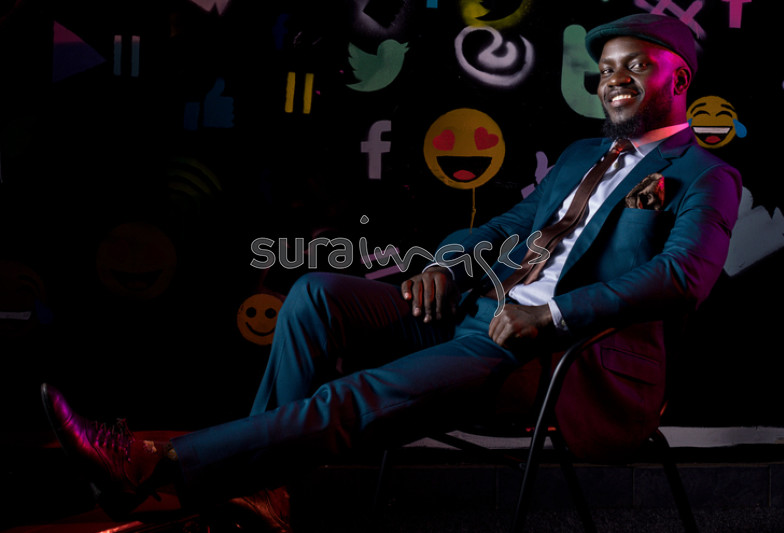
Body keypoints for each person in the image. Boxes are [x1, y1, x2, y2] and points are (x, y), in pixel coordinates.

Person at [41, 13, 741, 532]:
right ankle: (263, 489)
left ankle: (152, 463)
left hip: (557, 355)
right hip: (479, 313)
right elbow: (507, 225)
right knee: (317, 294)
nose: (614, 79)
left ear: (678, 80)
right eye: (607, 68)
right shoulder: (580, 154)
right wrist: (445, 262)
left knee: (356, 393)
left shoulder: (704, 174)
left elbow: (684, 276)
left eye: (635, 66)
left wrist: (551, 314)